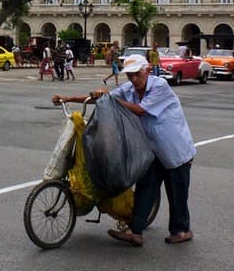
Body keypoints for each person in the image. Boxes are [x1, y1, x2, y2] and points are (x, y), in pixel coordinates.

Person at [52, 54, 196, 247]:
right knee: (145, 189)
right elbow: (102, 100)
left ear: (148, 70)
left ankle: (182, 230)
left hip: (175, 150)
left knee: (177, 193)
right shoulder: (129, 89)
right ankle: (135, 231)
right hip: (152, 151)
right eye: (130, 76)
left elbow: (140, 110)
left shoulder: (160, 86)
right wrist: (68, 98)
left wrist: (110, 98)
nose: (134, 80)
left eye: (137, 74)